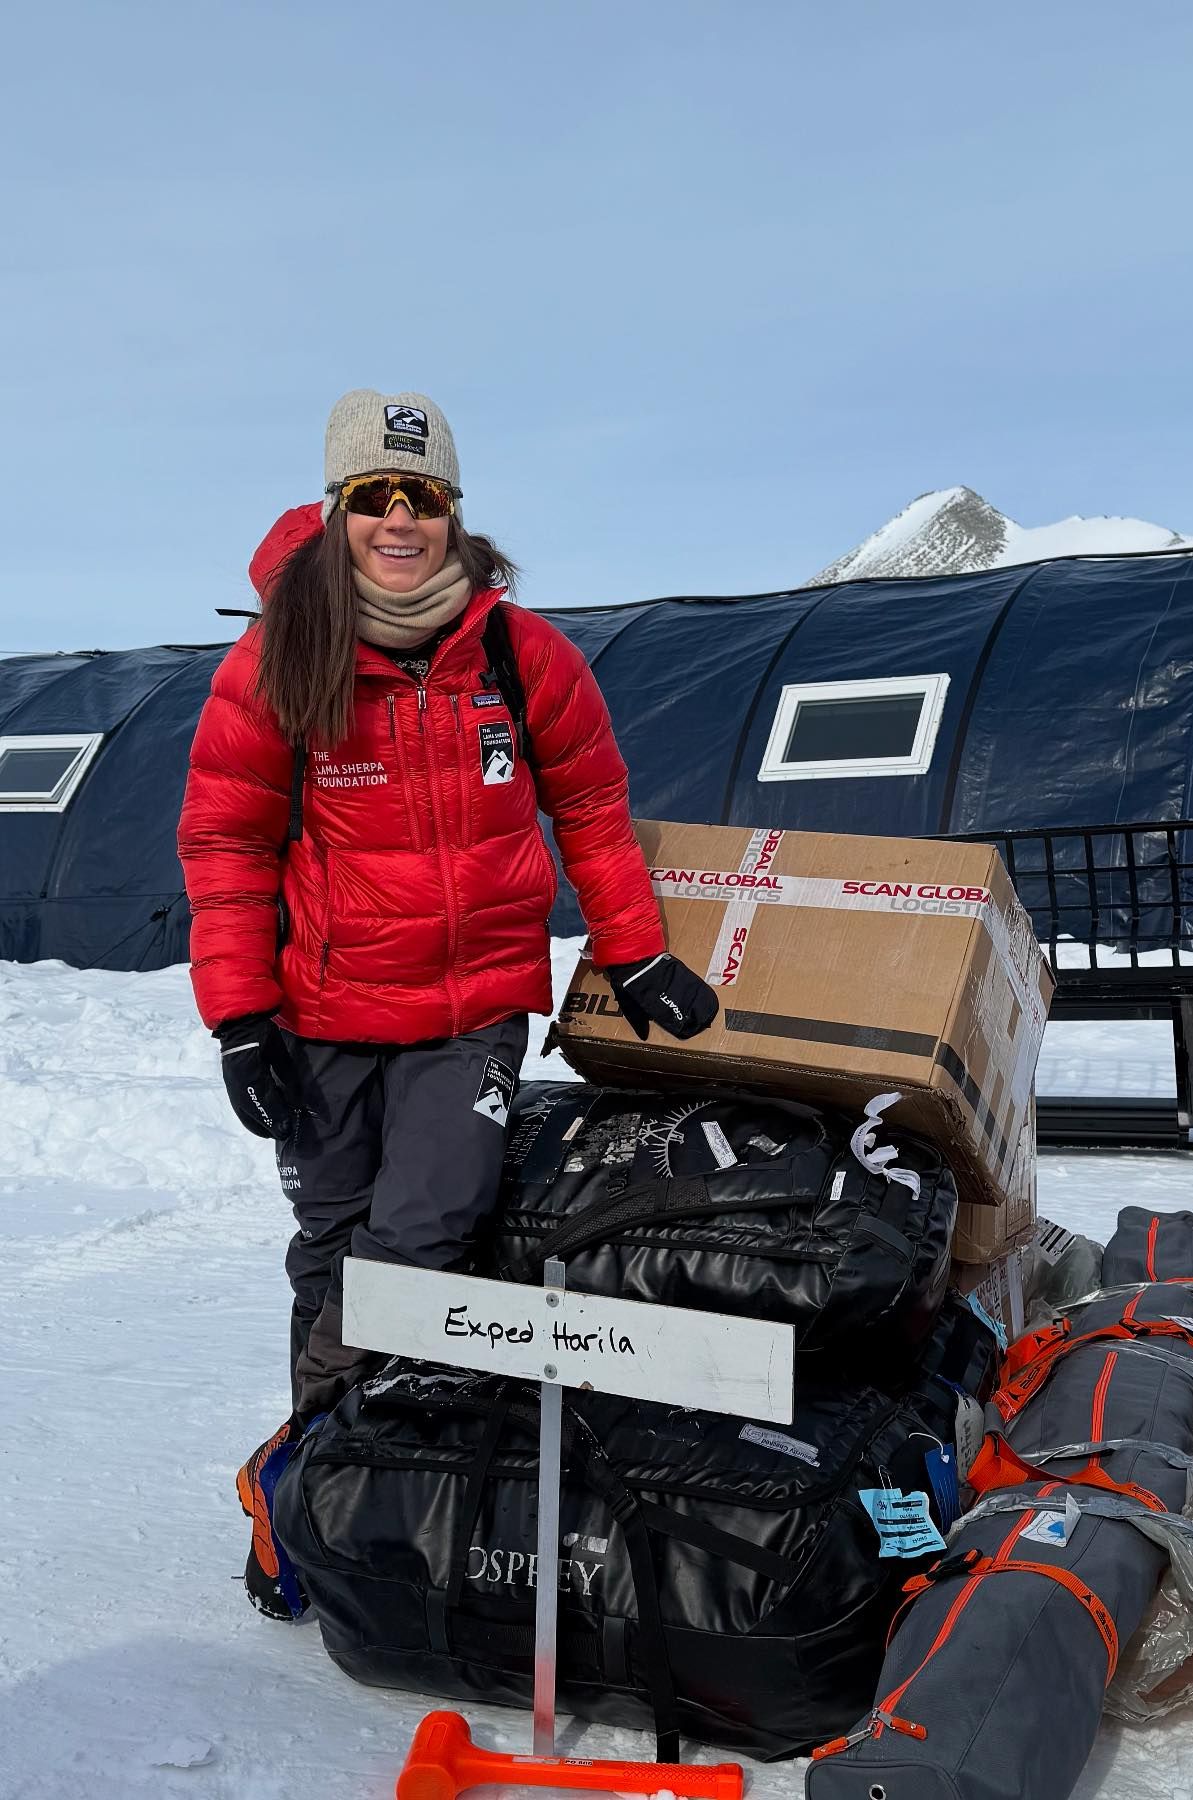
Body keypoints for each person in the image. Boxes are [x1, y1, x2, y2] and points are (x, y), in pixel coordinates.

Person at [177, 389, 716, 1617]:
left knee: (418, 1244)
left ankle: (303, 1470)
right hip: (321, 1014)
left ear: (455, 511)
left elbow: (588, 802)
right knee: (333, 1252)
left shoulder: (523, 656)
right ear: (337, 513)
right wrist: (241, 1017)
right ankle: (335, 1495)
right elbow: (225, 842)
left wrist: (633, 953)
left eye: (423, 496)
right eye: (375, 496)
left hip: (470, 1014)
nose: (400, 520)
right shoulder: (277, 660)